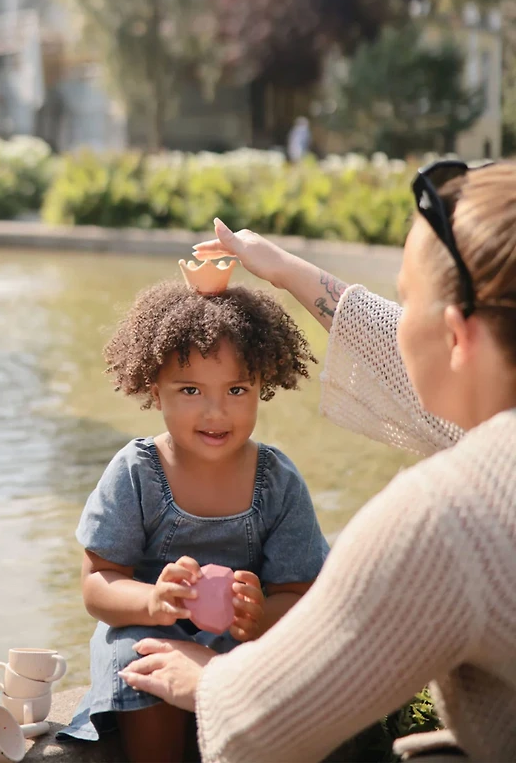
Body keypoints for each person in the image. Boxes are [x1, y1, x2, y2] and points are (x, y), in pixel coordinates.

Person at [120, 161, 516, 763]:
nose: (396, 319)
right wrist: (282, 271)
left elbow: (266, 729)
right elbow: (400, 354)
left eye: (406, 300)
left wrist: (206, 680)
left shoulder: (448, 516)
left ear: (458, 337)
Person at [57, 279, 331, 762]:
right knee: (139, 659)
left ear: (262, 387)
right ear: (153, 390)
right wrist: (154, 601)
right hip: (148, 631)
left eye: (236, 389)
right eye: (189, 389)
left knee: (280, 668)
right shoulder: (136, 472)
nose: (215, 411)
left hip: (237, 644)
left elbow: (302, 591)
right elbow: (98, 583)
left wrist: (259, 615)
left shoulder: (277, 480)